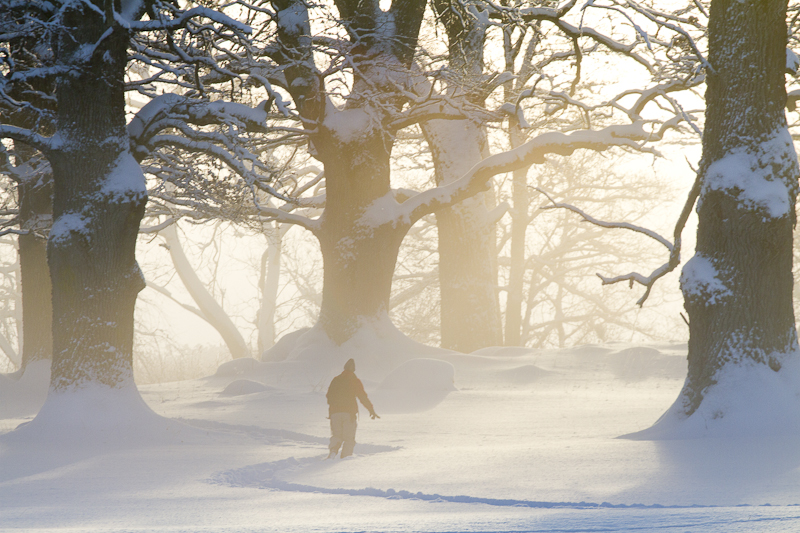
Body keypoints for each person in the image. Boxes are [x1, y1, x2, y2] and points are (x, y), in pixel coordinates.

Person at [326, 358, 379, 459]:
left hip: (335, 414)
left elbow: (328, 396)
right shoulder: (354, 380)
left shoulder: (336, 380)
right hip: (349, 414)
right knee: (349, 439)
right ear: (353, 369)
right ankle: (345, 458)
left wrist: (333, 409)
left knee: (336, 435)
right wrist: (371, 410)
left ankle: (333, 450)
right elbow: (362, 397)